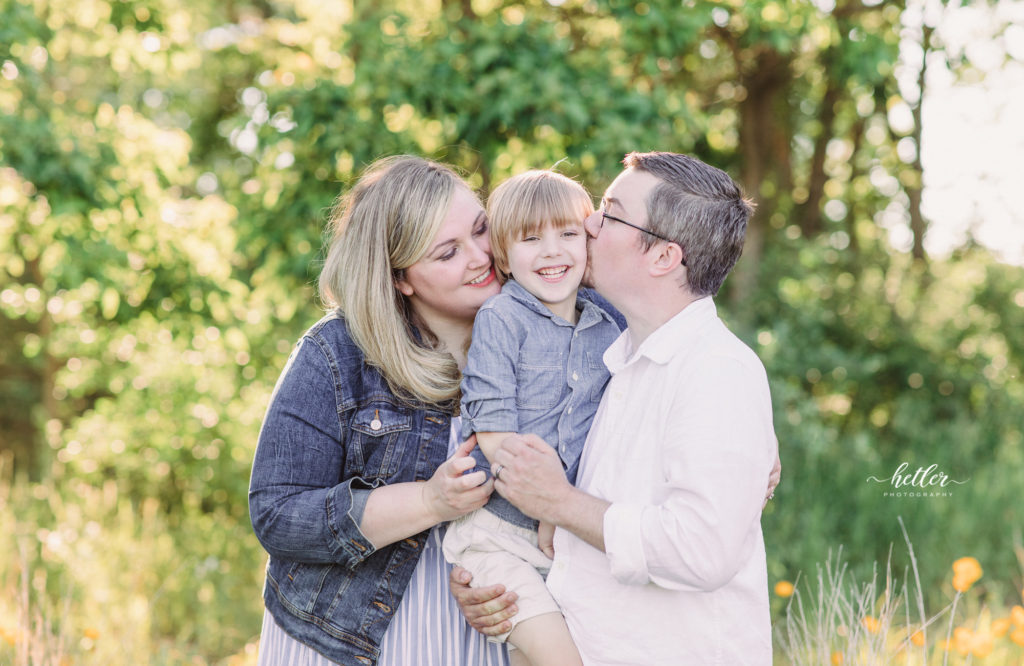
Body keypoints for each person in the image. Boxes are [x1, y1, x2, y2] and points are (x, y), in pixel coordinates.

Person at [454, 152, 779, 664]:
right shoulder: (616, 355)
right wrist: (502, 591)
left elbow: (701, 550)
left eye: (610, 211)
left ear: (663, 257)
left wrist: (558, 503)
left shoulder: (717, 372)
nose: (588, 223)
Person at [248, 155, 515, 666]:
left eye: (481, 229)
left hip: (485, 630)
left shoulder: (545, 334)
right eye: (447, 253)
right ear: (401, 279)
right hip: (350, 637)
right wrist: (432, 500)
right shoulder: (339, 353)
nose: (481, 256)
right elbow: (277, 515)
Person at [441, 171, 623, 666]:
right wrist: (549, 505)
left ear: (588, 243)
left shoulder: (610, 325)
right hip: (499, 536)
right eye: (531, 238)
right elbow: (496, 433)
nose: (551, 251)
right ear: (503, 254)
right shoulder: (501, 319)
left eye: (567, 234)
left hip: (571, 542)